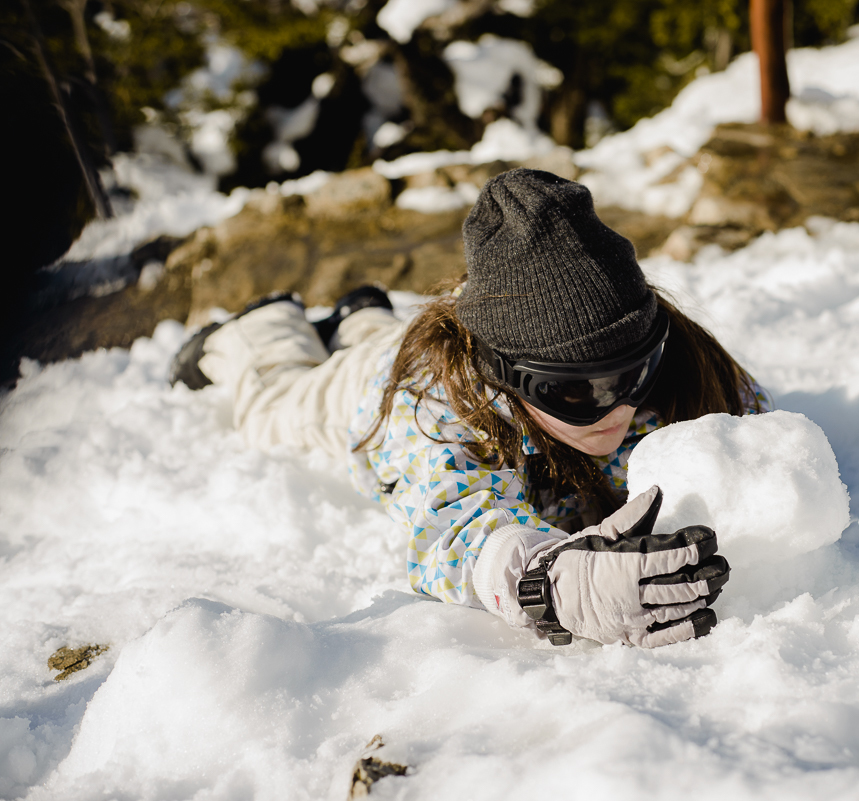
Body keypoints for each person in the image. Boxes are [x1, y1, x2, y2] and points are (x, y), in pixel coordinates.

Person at [171, 168, 767, 648]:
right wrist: (546, 581)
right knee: (274, 406)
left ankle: (361, 314)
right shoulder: (436, 403)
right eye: (575, 392)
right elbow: (452, 520)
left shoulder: (680, 357)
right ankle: (265, 323)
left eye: (635, 371)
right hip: (374, 383)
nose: (619, 407)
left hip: (461, 327)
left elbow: (753, 428)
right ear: (507, 377)